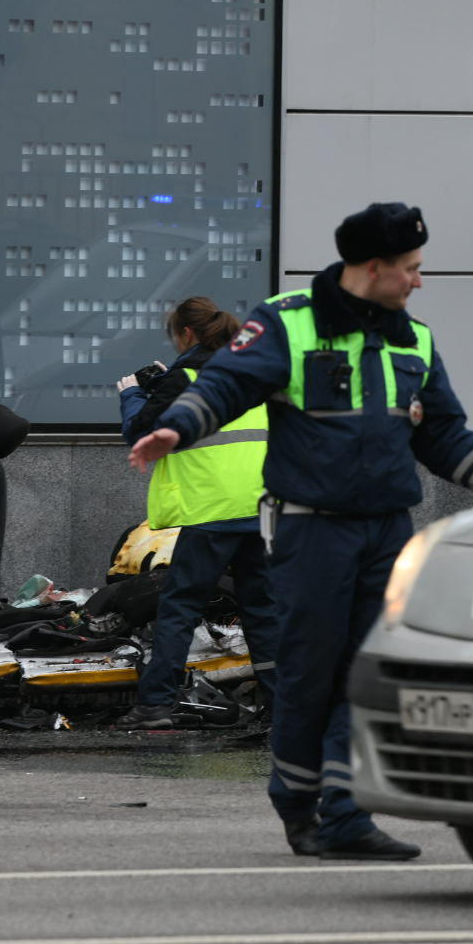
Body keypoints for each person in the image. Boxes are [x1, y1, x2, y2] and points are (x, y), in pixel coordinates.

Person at [129, 203, 473, 860]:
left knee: (368, 672)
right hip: (311, 532)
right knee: (310, 675)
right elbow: (226, 384)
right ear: (374, 268)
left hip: (387, 529)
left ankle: (348, 814)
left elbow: (441, 434)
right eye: (410, 269)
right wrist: (177, 427)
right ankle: (298, 804)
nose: (419, 281)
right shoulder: (286, 323)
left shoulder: (414, 340)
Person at [113, 297, 277, 728]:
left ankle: (155, 705)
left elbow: (139, 431)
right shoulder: (253, 372)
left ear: (187, 334)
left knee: (180, 606)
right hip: (260, 509)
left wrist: (132, 393)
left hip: (212, 510)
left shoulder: (184, 376)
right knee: (262, 610)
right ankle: (280, 708)